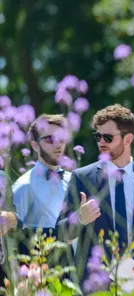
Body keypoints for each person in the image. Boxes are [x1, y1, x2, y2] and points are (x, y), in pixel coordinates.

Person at [56, 105, 134, 292]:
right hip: (95, 289)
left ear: (128, 139)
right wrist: (79, 218)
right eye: (98, 136)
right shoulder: (81, 178)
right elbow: (59, 233)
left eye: (108, 137)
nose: (101, 142)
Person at [12, 114, 73, 266]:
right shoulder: (24, 185)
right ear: (34, 145)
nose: (57, 144)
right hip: (41, 270)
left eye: (61, 138)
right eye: (49, 139)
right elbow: (14, 236)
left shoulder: (74, 180)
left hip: (76, 269)